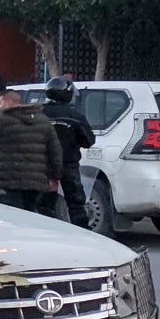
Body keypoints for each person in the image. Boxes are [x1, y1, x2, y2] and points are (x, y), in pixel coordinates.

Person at [0, 91, 63, 215]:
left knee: (12, 216)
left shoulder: (3, 120)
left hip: (8, 180)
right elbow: (55, 151)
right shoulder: (43, 120)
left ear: (8, 102)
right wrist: (55, 176)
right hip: (36, 182)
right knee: (30, 215)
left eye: (1, 103)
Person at [41, 77, 96, 227]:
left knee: (44, 205)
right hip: (69, 165)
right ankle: (82, 234)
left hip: (43, 166)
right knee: (76, 204)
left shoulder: (38, 114)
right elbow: (89, 141)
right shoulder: (74, 117)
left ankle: (46, 234)